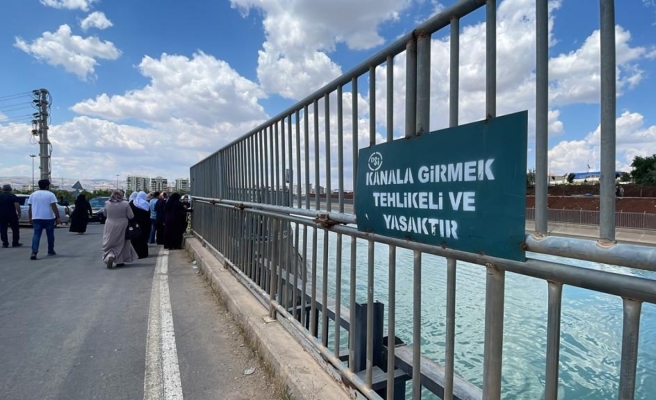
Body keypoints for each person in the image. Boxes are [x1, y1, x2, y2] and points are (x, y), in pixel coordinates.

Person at [102, 190, 138, 268]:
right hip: (122, 225)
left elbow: (105, 214)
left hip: (109, 225)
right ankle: (120, 261)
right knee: (121, 243)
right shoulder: (125, 204)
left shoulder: (107, 203)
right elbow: (131, 216)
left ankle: (110, 256)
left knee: (109, 242)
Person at [28, 179, 61, 260]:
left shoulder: (33, 195)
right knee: (50, 235)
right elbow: (54, 207)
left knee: (36, 234)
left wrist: (30, 217)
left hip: (36, 218)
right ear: (47, 186)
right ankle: (50, 250)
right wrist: (58, 217)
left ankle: (34, 251)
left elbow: (30, 208)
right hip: (49, 218)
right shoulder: (51, 195)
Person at [129, 191, 152, 258]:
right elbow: (148, 215)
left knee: (135, 239)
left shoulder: (132, 203)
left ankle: (135, 254)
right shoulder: (146, 204)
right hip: (145, 225)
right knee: (143, 239)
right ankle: (143, 254)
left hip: (135, 224)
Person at [0, 184, 22, 248]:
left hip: (2, 215)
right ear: (10, 189)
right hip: (12, 214)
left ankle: (5, 243)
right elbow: (17, 205)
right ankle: (15, 242)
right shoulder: (13, 196)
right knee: (15, 229)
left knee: (3, 229)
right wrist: (19, 212)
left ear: (3, 189)